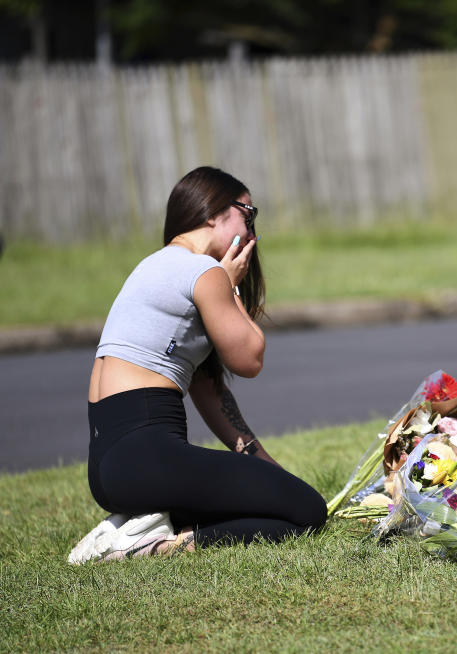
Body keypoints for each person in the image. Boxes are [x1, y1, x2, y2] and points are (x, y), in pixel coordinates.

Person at [72, 166, 327, 562]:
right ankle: (156, 544)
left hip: (110, 469)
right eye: (248, 212)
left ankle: (137, 524)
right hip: (148, 453)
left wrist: (265, 466)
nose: (253, 231)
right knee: (308, 511)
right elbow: (249, 358)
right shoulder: (203, 272)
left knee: (274, 498)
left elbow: (209, 390)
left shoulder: (152, 267)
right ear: (213, 213)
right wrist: (230, 286)